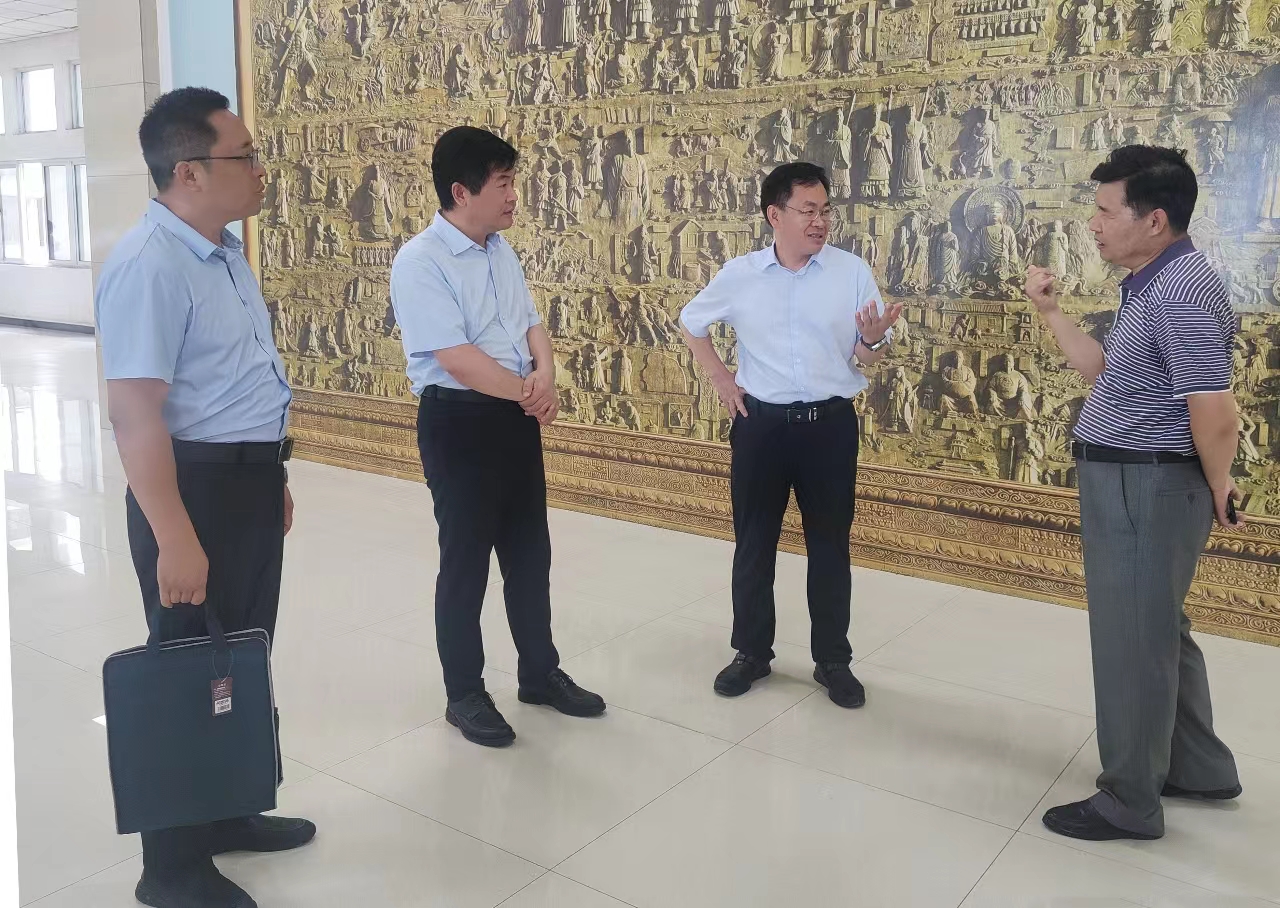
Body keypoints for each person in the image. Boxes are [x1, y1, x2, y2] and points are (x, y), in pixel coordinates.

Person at [95, 88, 315, 908]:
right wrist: (176, 536)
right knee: (188, 674)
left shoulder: (221, 252)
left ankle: (225, 810)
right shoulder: (149, 265)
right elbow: (134, 414)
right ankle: (171, 868)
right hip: (192, 494)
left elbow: (238, 383)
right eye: (244, 156)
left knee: (239, 658)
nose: (260, 170)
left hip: (244, 484)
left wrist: (271, 476)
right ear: (188, 171)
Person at [1025, 145, 1244, 843]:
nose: (1092, 224)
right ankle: (1198, 768)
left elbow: (1214, 409)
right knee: (1159, 632)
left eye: (1104, 210)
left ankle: (1129, 799)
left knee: (1131, 641)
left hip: (1144, 484)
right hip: (1135, 479)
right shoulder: (1154, 282)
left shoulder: (1180, 292)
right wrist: (1051, 312)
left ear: (1154, 220)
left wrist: (1219, 483)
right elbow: (1109, 373)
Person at [390, 126, 605, 748]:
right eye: (504, 183)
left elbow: (530, 324)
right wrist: (529, 392)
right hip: (459, 423)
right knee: (466, 563)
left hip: (513, 417)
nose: (514, 195)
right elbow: (455, 357)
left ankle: (539, 673)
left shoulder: (498, 250)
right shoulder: (421, 261)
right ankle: (464, 693)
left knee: (529, 554)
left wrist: (545, 374)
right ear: (462, 191)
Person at [679, 162, 901, 708]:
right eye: (808, 211)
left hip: (830, 427)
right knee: (754, 542)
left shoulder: (850, 271)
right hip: (762, 427)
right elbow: (691, 322)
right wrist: (721, 378)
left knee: (830, 545)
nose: (820, 221)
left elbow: (866, 354)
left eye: (825, 210)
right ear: (774, 215)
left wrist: (873, 340)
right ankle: (751, 653)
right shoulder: (741, 275)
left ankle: (833, 661)